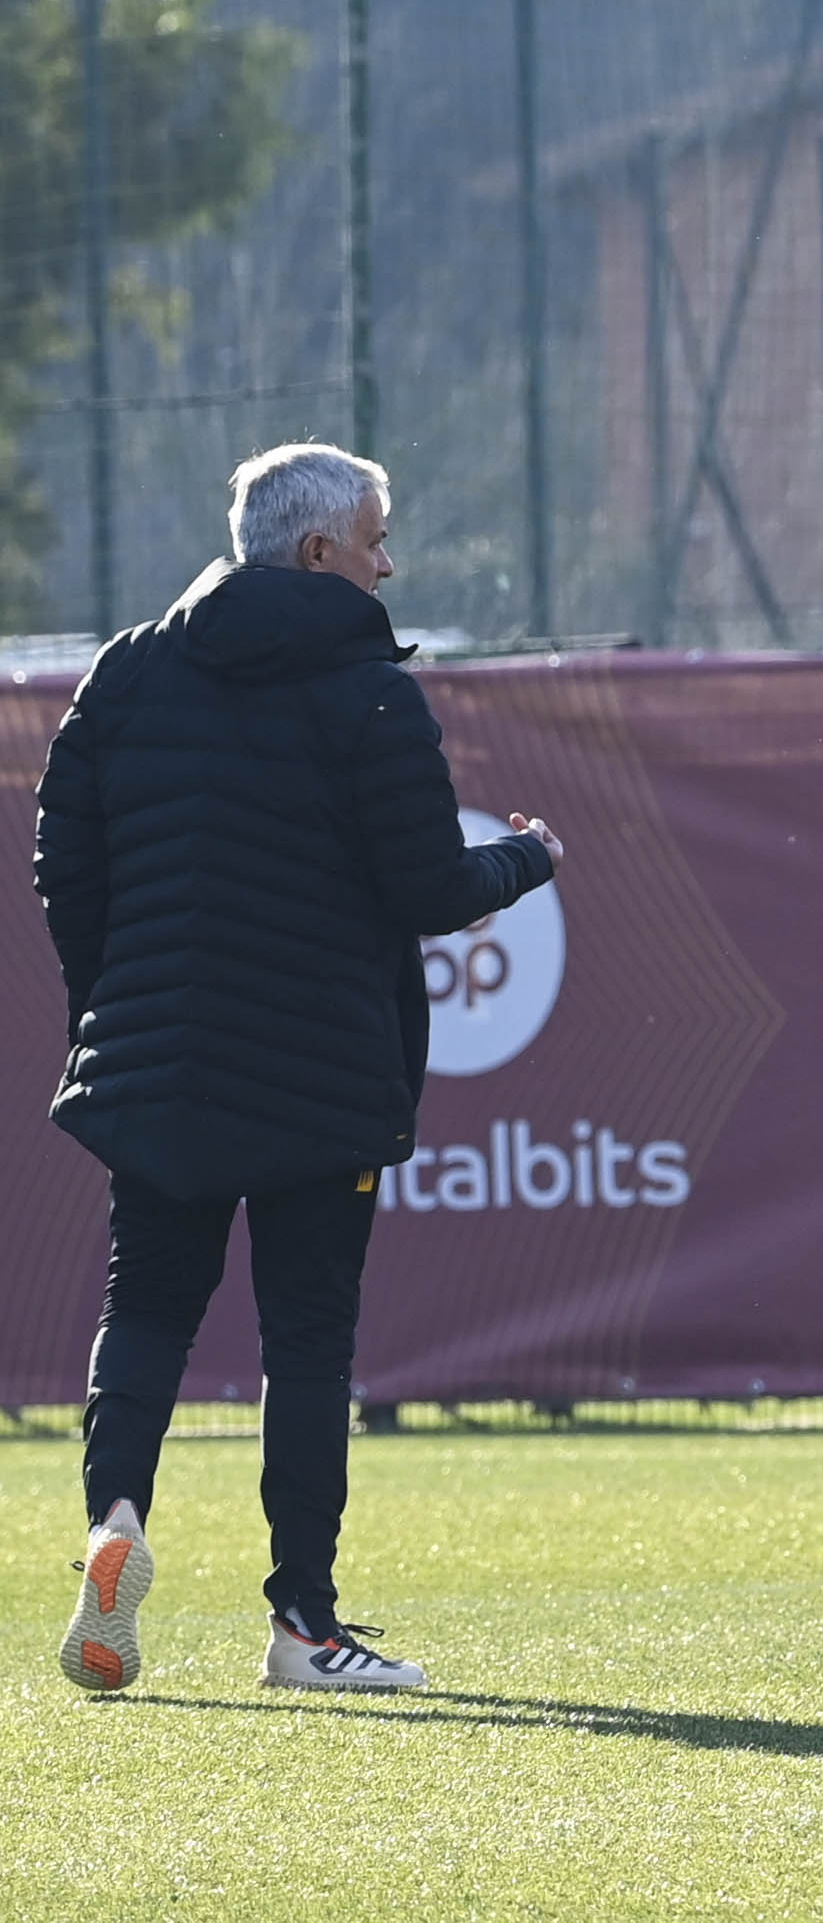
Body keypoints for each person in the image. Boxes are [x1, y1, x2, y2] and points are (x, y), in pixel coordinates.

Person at [41, 444, 561, 1698]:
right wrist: (531, 858)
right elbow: (432, 888)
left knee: (149, 1306)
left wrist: (114, 1004)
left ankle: (115, 1521)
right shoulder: (367, 687)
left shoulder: (128, 665)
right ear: (320, 550)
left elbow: (67, 862)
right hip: (322, 1070)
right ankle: (302, 1625)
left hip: (159, 1057)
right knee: (309, 1342)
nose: (391, 561)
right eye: (378, 537)